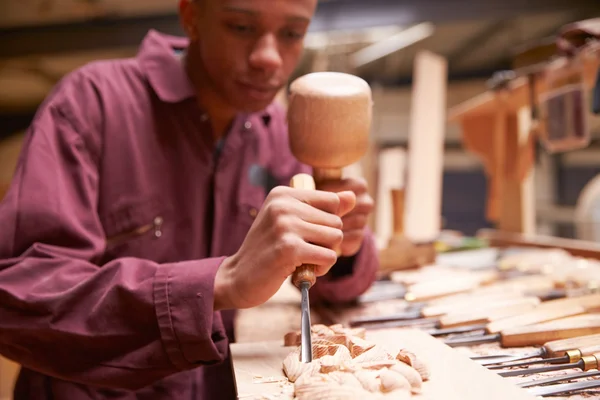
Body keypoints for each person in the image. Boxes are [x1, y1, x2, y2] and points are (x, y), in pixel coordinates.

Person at [0, 0, 379, 399]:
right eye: (240, 27)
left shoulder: (274, 136)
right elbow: (19, 295)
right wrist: (221, 282)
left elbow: (332, 286)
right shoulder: (92, 104)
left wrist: (343, 247)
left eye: (291, 33)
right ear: (191, 15)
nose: (269, 57)